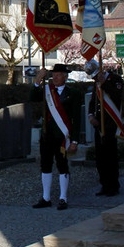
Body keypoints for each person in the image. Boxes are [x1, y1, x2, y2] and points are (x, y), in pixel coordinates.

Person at [30, 63, 82, 209]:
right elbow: (32, 97)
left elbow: (77, 119)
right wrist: (38, 80)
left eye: (59, 75)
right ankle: (46, 197)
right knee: (45, 165)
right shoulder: (47, 90)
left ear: (65, 77)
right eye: (54, 75)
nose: (55, 77)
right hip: (47, 135)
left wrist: (75, 141)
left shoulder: (74, 93)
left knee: (62, 165)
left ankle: (63, 197)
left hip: (63, 136)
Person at [88, 65, 123, 197]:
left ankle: (113, 185)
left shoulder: (115, 79)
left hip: (110, 122)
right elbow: (93, 101)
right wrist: (90, 115)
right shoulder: (97, 82)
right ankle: (104, 184)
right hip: (98, 123)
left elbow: (116, 96)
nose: (96, 79)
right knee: (100, 156)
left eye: (96, 76)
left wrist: (104, 84)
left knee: (110, 155)